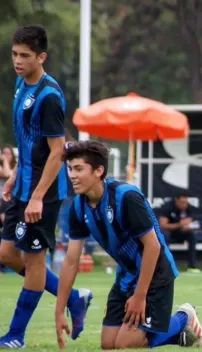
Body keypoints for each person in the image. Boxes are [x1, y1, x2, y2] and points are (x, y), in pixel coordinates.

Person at [55, 140, 202, 350]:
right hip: (126, 275)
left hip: (156, 273)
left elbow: (152, 247)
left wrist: (140, 296)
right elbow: (71, 261)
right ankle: (177, 335)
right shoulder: (78, 207)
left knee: (125, 344)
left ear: (99, 171)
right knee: (109, 345)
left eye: (79, 169)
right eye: (70, 169)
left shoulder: (126, 197)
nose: (72, 175)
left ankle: (184, 318)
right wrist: (59, 310)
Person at [0, 26, 92, 348]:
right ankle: (75, 298)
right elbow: (30, 141)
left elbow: (58, 150)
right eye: (15, 54)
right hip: (24, 186)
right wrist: (14, 175)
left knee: (34, 263)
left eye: (25, 56)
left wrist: (38, 196)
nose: (18, 61)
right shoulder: (19, 83)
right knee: (8, 255)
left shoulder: (49, 96)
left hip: (44, 192)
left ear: (42, 57)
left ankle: (16, 335)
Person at [158, 192, 201, 274]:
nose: (184, 205)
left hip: (180, 232)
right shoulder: (167, 207)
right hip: (168, 232)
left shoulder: (189, 208)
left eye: (186, 202)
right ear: (176, 201)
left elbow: (199, 219)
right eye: (182, 203)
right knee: (165, 235)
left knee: (192, 235)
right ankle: (167, 265)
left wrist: (189, 224)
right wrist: (179, 224)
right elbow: (163, 226)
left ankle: (192, 266)